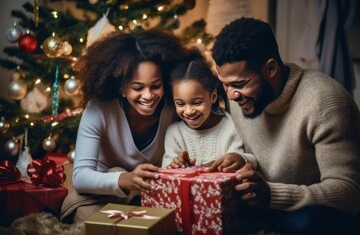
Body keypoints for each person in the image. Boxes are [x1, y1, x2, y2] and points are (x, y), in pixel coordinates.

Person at [210, 17, 360, 234]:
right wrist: (240, 160)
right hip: (266, 210)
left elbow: (350, 193)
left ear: (270, 68)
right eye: (225, 84)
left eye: (239, 84)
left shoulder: (325, 102)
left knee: (301, 223)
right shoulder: (241, 99)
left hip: (316, 220)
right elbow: (260, 157)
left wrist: (272, 194)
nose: (231, 95)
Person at [60, 29, 186, 223]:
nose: (148, 96)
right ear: (121, 87)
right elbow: (80, 176)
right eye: (137, 87)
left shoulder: (174, 106)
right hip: (103, 195)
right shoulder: (99, 108)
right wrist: (125, 179)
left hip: (152, 195)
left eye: (156, 85)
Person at [161, 49, 257, 171]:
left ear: (213, 97)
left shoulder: (230, 126)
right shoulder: (175, 133)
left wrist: (239, 158)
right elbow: (165, 172)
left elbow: (246, 162)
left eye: (197, 102)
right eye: (180, 104)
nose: (189, 111)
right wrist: (176, 165)